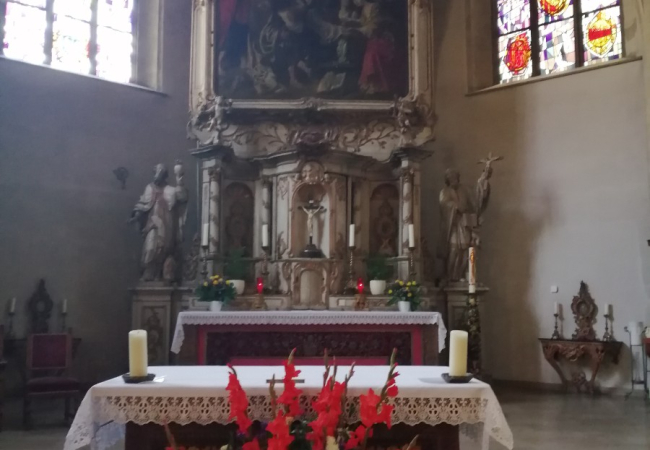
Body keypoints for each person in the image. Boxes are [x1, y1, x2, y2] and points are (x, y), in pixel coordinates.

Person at [130, 163, 188, 282]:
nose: (158, 176)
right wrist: (136, 216)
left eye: (161, 173)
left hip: (167, 225)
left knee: (164, 248)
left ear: (164, 176)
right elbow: (142, 205)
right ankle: (148, 271)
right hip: (152, 223)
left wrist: (179, 179)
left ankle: (159, 274)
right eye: (157, 172)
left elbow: (182, 197)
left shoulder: (171, 190)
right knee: (150, 247)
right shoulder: (149, 188)